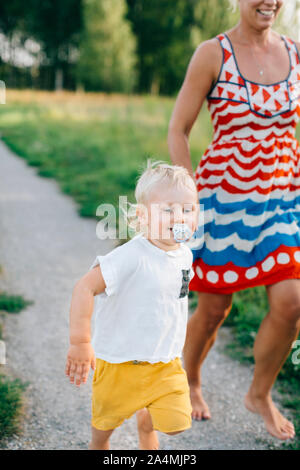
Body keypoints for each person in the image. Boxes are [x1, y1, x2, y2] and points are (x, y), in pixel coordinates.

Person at [168, 0, 300, 441]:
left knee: (291, 301)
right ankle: (190, 380)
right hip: (223, 203)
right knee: (213, 310)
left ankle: (259, 393)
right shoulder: (213, 53)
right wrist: (186, 195)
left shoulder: (297, 53)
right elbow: (178, 129)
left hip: (282, 201)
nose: (269, 1)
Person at [65, 161, 199, 450]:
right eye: (168, 209)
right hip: (120, 362)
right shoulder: (130, 257)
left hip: (166, 362)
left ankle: (146, 420)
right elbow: (84, 287)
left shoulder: (185, 255)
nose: (180, 217)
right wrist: (80, 341)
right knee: (106, 421)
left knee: (177, 424)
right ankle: (97, 445)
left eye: (188, 210)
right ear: (143, 216)